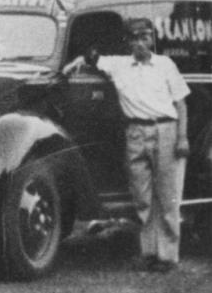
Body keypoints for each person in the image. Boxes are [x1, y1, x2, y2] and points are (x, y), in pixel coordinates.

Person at [65, 17, 190, 271]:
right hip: (135, 131)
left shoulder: (165, 65)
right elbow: (92, 55)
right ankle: (149, 252)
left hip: (165, 128)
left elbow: (181, 103)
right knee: (142, 195)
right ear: (129, 42)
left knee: (167, 196)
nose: (140, 43)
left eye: (145, 38)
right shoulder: (119, 65)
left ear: (151, 40)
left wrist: (182, 137)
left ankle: (167, 256)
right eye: (135, 38)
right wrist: (79, 60)